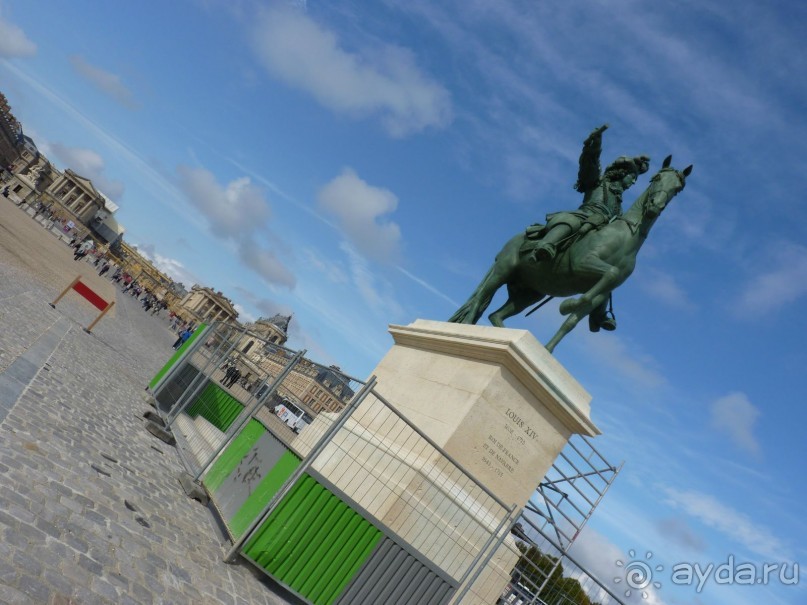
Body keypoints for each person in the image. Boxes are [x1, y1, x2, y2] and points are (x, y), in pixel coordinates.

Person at [528, 125, 650, 332]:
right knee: (570, 222)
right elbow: (589, 164)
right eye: (632, 177)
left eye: (635, 180)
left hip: (598, 231)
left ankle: (598, 313)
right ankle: (546, 245)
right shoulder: (598, 183)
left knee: (610, 271)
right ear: (622, 173)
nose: (633, 182)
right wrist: (594, 146)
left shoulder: (619, 205)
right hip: (584, 216)